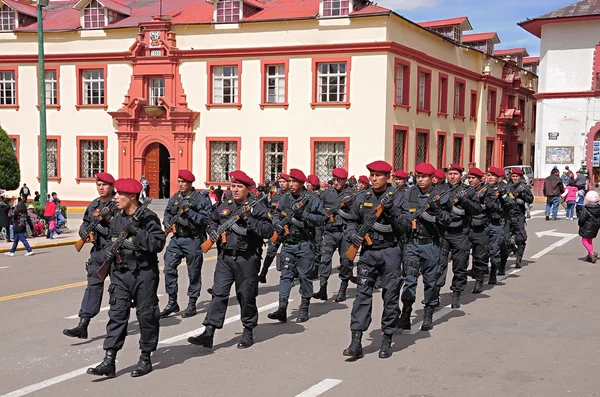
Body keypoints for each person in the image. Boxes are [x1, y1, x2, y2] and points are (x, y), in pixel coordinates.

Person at [86, 178, 165, 379]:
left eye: (120, 194)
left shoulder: (148, 218)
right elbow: (110, 240)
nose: (116, 197)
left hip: (143, 274)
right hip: (120, 273)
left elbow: (157, 244)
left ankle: (146, 357)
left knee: (146, 315)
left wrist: (137, 231)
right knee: (117, 314)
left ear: (131, 196)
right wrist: (109, 254)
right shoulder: (117, 218)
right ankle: (109, 359)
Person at [188, 171, 273, 349]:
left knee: (246, 295)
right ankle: (209, 332)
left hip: (247, 258)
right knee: (218, 294)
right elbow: (212, 220)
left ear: (248, 189)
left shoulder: (257, 207)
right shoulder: (225, 204)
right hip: (225, 257)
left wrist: (248, 219)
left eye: (239, 187)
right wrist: (212, 231)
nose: (235, 190)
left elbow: (268, 231)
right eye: (233, 186)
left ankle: (248, 330)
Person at [343, 160, 410, 360]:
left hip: (390, 252)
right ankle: (356, 341)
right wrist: (353, 235)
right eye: (371, 174)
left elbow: (406, 226)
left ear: (387, 177)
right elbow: (352, 221)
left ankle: (387, 339)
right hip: (368, 253)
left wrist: (392, 212)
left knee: (390, 296)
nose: (373, 178)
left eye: (378, 175)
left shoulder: (398, 198)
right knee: (362, 295)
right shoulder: (363, 197)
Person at [267, 169, 326, 323]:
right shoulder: (285, 198)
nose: (291, 185)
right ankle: (282, 308)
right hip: (288, 243)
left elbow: (321, 219)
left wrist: (303, 215)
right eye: (290, 181)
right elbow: (276, 213)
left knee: (305, 277)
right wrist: (277, 223)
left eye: (294, 182)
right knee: (285, 275)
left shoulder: (311, 198)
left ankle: (304, 308)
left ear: (301, 183)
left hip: (305, 243)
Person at [399, 163, 452, 332]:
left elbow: (447, 220)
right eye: (418, 176)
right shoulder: (409, 193)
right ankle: (406, 313)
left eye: (424, 177)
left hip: (431, 244)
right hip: (412, 243)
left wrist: (437, 211)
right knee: (409, 280)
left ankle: (428, 313)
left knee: (431, 282)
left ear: (432, 178)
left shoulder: (440, 195)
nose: (420, 180)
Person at [64, 173, 117, 340]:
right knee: (92, 287)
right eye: (98, 184)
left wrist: (101, 226)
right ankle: (83, 324)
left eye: (104, 185)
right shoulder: (94, 204)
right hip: (98, 252)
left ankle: (116, 325)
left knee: (117, 289)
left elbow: (119, 228)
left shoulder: (117, 204)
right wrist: (84, 231)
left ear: (112, 187)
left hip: (115, 252)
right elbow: (86, 221)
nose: (101, 187)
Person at [160, 170, 212, 319]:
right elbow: (168, 212)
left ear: (190, 183)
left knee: (193, 272)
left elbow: (205, 219)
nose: (181, 184)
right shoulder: (175, 197)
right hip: (177, 238)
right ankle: (172, 302)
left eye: (184, 182)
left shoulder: (199, 199)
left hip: (193, 239)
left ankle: (192, 303)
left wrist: (189, 213)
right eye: (179, 181)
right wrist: (167, 222)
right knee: (169, 268)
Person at [435, 164, 482, 309]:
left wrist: (465, 201)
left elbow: (477, 210)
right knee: (439, 265)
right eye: (450, 174)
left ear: (461, 175)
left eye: (455, 174)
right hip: (442, 233)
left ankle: (456, 293)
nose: (452, 176)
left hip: (460, 233)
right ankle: (434, 294)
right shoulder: (440, 190)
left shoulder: (468, 191)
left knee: (460, 265)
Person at [313, 168, 357, 302]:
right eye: (335, 180)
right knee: (324, 260)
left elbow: (356, 215)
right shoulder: (327, 193)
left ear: (345, 180)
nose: (336, 182)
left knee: (346, 262)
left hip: (345, 232)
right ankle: (323, 289)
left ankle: (343, 289)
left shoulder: (351, 194)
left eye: (339, 180)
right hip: (330, 232)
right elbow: (320, 213)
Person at [483, 166, 516, 283]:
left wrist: (504, 196)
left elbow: (512, 203)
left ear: (499, 177)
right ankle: (486, 271)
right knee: (486, 248)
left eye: (492, 175)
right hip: (485, 221)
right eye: (488, 175)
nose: (490, 177)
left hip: (501, 221)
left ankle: (499, 267)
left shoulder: (505, 188)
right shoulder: (483, 188)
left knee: (503, 246)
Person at [258, 173, 290, 283]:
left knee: (289, 253)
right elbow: (271, 210)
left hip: (288, 229)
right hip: (276, 228)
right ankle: (263, 273)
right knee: (271, 251)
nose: (281, 184)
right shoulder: (275, 195)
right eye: (280, 182)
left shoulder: (292, 195)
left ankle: (289, 276)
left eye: (283, 182)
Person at [465, 168, 489, 293]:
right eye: (469, 178)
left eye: (473, 178)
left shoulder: (486, 191)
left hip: (480, 227)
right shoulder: (465, 190)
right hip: (465, 227)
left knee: (479, 256)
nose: (470, 180)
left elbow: (491, 207)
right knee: (462, 256)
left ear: (479, 179)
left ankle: (479, 281)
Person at [508, 168, 534, 269]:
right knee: (505, 238)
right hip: (508, 214)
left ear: (520, 177)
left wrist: (522, 196)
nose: (515, 178)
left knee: (520, 238)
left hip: (519, 214)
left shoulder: (524, 187)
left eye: (516, 176)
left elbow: (531, 199)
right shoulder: (507, 186)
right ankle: (513, 250)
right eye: (513, 176)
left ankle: (519, 259)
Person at [306, 174, 323, 280]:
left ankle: (315, 269)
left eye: (309, 183)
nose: (307, 184)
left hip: (317, 224)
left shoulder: (319, 195)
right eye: (307, 182)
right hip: (309, 223)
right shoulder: (306, 194)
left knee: (317, 247)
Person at [578, 190, 600, 263]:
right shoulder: (598, 208)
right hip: (595, 226)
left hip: (587, 226)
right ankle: (589, 255)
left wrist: (580, 223)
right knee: (590, 240)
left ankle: (591, 253)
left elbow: (582, 218)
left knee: (584, 240)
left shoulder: (586, 208)